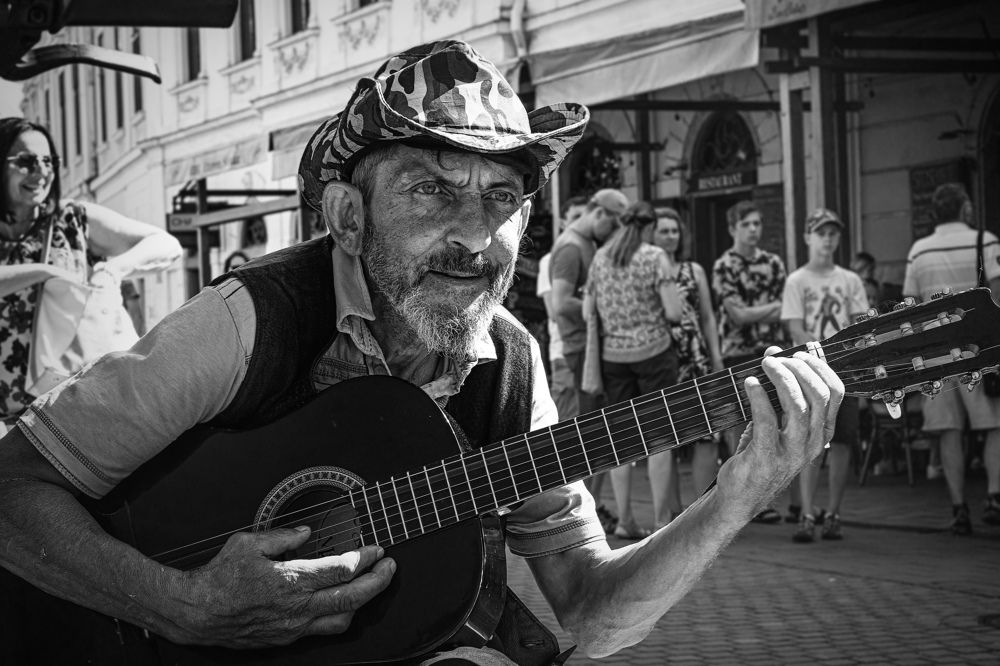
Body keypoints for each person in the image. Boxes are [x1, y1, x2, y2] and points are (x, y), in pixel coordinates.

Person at [0, 40, 845, 665]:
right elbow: (12, 490)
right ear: (348, 218)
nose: (477, 237)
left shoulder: (510, 369)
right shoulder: (247, 322)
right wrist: (182, 606)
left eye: (503, 197)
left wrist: (733, 501)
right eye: (432, 188)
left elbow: (589, 612)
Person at [0, 117, 181, 430]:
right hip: (13, 424)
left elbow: (166, 245)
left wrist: (114, 269)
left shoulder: (72, 218)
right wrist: (45, 271)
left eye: (48, 161)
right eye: (27, 161)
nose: (42, 172)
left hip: (83, 409)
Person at [902, 182, 1000, 535]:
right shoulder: (985, 241)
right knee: (993, 425)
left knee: (948, 432)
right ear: (964, 209)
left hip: (936, 357)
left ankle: (959, 507)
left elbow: (908, 307)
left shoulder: (919, 251)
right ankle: (993, 495)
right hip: (980, 350)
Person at [584, 201, 684, 536]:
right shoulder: (655, 256)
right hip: (655, 354)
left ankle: (625, 520)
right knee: (659, 435)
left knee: (621, 438)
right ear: (650, 227)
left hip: (613, 357)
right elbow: (673, 311)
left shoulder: (601, 257)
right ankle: (661, 521)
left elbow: (590, 309)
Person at [781, 208, 868, 542]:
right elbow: (795, 326)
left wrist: (846, 356)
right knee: (811, 443)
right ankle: (806, 512)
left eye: (833, 233)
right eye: (821, 232)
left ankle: (833, 512)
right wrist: (819, 358)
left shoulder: (850, 280)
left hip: (847, 371)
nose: (828, 239)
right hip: (811, 371)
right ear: (807, 237)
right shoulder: (797, 280)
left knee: (843, 441)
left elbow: (861, 324)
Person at [537, 195, 620, 533]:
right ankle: (572, 517)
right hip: (575, 352)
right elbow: (559, 304)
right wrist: (601, 305)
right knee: (581, 437)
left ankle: (590, 508)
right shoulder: (571, 247)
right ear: (598, 213)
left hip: (583, 349)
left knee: (596, 433)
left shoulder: (584, 242)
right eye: (612, 223)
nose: (613, 231)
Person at [711, 200, 789, 525]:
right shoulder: (724, 266)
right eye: (747, 224)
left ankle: (764, 498)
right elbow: (737, 315)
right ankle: (739, 497)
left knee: (771, 424)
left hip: (769, 350)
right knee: (738, 426)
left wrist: (759, 311)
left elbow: (785, 307)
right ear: (733, 228)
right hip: (736, 351)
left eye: (757, 223)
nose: (754, 230)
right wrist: (768, 309)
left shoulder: (773, 263)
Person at [651, 207, 724, 516]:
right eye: (663, 230)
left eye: (674, 231)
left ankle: (703, 510)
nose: (670, 236)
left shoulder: (694, 270)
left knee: (706, 433)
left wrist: (716, 358)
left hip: (695, 358)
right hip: (663, 357)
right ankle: (673, 514)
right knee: (666, 438)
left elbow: (707, 316)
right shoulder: (647, 267)